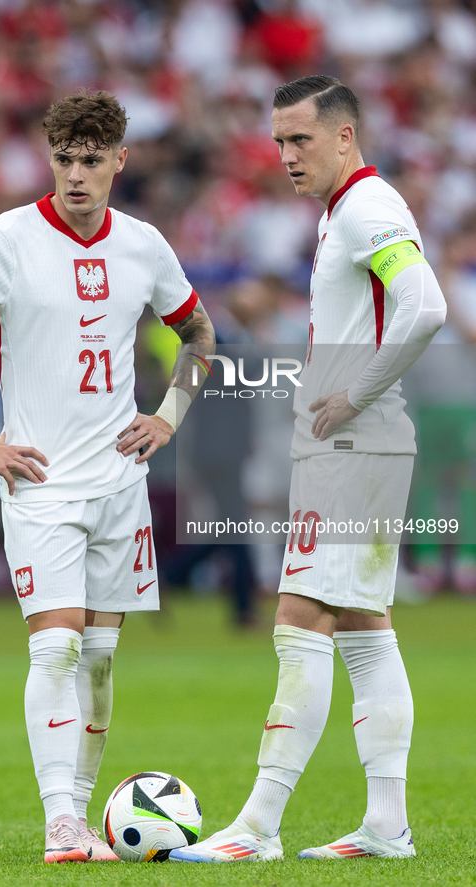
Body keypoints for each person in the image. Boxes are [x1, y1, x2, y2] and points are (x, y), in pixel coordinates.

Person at [0, 89, 215, 864]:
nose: (76, 175)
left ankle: (81, 818)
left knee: (102, 658)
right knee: (55, 652)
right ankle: (58, 824)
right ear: (51, 159)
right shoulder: (6, 238)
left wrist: (168, 415)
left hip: (119, 483)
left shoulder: (144, 245)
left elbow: (199, 333)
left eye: (91, 160)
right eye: (63, 159)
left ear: (120, 160)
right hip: (41, 485)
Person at [169, 75, 446, 863]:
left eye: (300, 139)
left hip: (352, 444)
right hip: (362, 444)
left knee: (296, 614)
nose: (285, 154)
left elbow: (426, 306)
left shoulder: (366, 207)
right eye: (278, 139)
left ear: (344, 136)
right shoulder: (342, 213)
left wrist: (353, 394)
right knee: (363, 624)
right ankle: (386, 826)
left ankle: (256, 827)